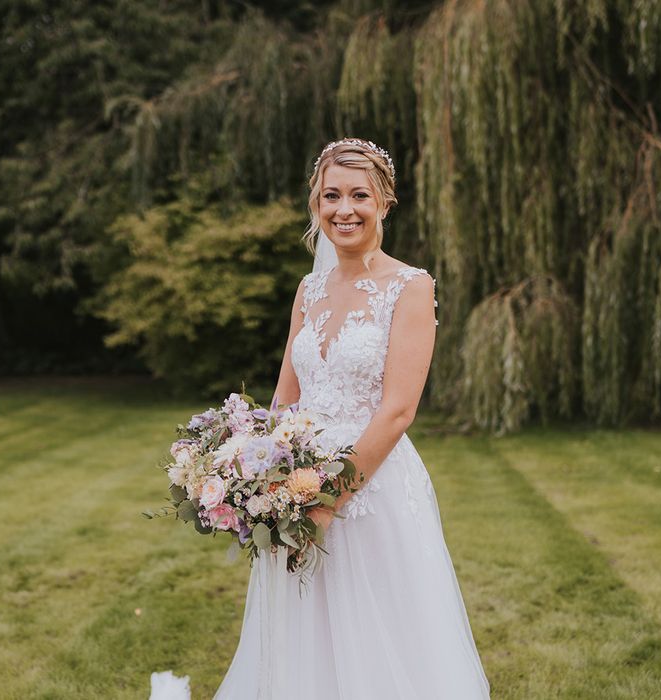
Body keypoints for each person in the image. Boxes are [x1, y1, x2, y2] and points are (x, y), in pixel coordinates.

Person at [210, 138, 491, 699]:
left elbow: (398, 410)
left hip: (372, 489)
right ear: (315, 205)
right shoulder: (308, 289)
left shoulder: (411, 287)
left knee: (382, 635)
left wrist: (328, 499)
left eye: (359, 195)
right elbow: (285, 399)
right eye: (330, 196)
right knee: (303, 633)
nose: (345, 209)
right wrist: (260, 479)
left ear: (385, 202)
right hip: (297, 482)